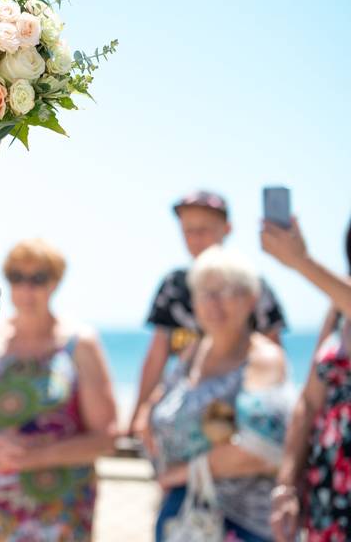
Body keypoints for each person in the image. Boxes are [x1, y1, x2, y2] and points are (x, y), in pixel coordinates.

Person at [0, 239, 117, 541]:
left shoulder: (79, 344)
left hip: (57, 508)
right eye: (17, 277)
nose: (27, 288)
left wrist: (35, 457)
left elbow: (106, 437)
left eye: (38, 279)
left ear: (55, 283)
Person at [142, 246, 291, 542]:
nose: (214, 303)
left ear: (251, 299)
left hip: (241, 521)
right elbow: (162, 408)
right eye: (205, 292)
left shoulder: (263, 359)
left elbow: (262, 450)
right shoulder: (192, 354)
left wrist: (182, 472)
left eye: (228, 292)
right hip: (183, 516)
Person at [130, 191, 287, 435]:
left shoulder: (252, 285)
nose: (195, 238)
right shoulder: (175, 286)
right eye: (188, 230)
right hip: (184, 408)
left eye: (204, 229)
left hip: (235, 415)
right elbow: (156, 356)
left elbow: (273, 353)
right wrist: (139, 413)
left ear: (227, 229)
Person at [263, 217, 351, 541]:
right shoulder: (338, 308)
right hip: (327, 489)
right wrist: (286, 483)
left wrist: (301, 261)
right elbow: (309, 402)